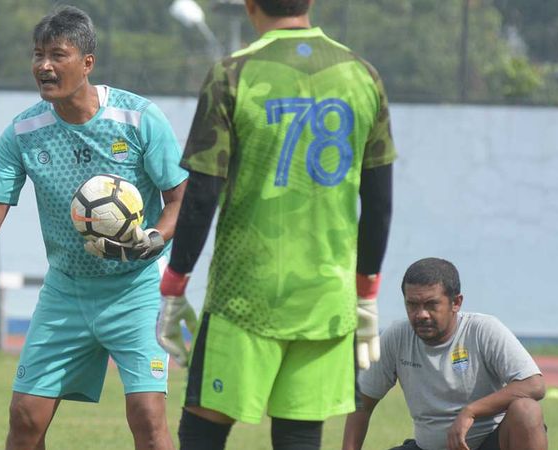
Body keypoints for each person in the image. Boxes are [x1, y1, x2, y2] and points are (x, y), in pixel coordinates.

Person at [154, 0, 397, 448]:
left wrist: (174, 283)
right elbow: (379, 202)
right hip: (327, 297)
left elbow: (202, 194)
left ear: (249, 5)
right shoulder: (362, 75)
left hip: (244, 295)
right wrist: (365, 294)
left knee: (205, 424)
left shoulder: (231, 74)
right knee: (300, 434)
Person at [0, 6, 188, 450]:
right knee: (25, 420)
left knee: (148, 418)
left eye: (58, 55)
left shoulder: (138, 119)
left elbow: (180, 199)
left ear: (87, 63)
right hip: (67, 291)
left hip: (135, 288)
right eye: (38, 55)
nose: (44, 65)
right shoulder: (24, 131)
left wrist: (155, 237)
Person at [342, 257, 547, 450]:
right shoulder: (397, 336)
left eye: (431, 305)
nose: (421, 314)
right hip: (427, 447)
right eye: (412, 305)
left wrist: (471, 411)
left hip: (487, 443)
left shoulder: (482, 330)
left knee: (527, 411)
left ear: (456, 303)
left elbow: (534, 385)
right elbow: (362, 404)